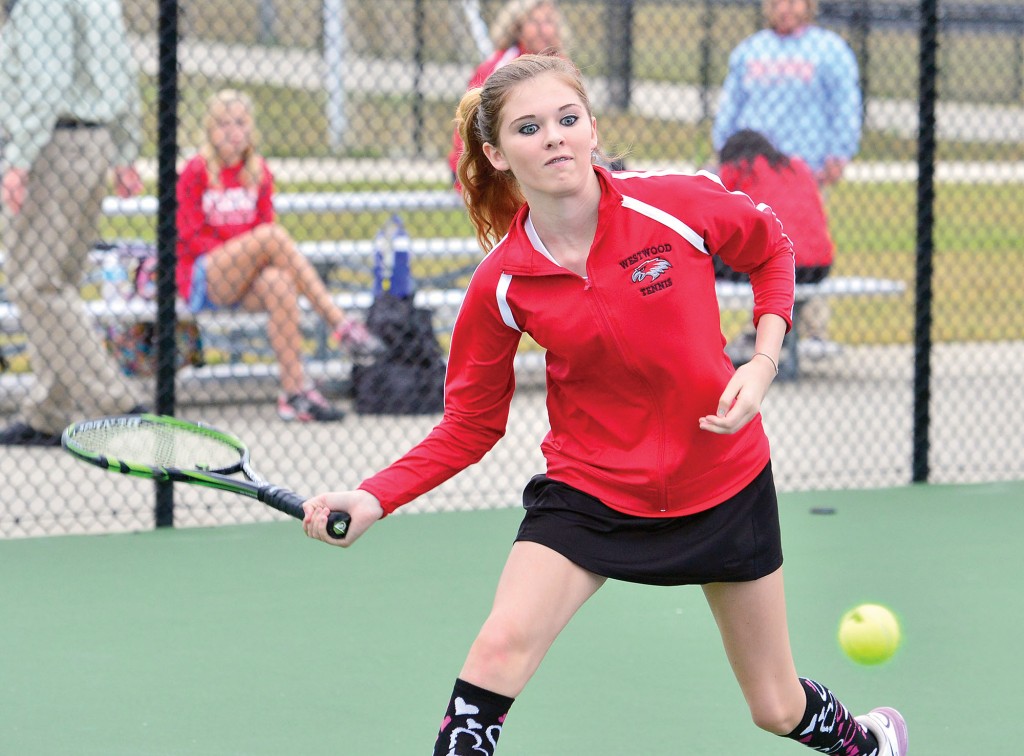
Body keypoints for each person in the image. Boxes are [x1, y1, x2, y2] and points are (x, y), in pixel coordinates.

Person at [302, 55, 908, 756]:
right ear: (497, 154)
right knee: (497, 650)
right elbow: (470, 424)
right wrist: (375, 496)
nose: (554, 137)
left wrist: (763, 360)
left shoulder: (671, 204)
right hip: (590, 491)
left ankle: (866, 743)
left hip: (723, 484)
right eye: (529, 128)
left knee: (774, 706)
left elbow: (771, 248)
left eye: (567, 119)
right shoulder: (502, 284)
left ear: (591, 128)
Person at [0, 0, 148, 446]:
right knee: (57, 281)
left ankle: (116, 403)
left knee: (35, 284)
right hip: (92, 142)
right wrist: (123, 149)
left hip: (52, 147)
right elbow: (124, 73)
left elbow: (45, 83)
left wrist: (19, 160)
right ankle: (50, 409)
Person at [176, 89, 374, 423]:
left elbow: (263, 240)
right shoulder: (195, 171)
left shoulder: (258, 171)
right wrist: (243, 252)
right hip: (206, 277)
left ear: (250, 128)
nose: (232, 130)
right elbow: (190, 237)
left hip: (247, 278)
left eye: (239, 122)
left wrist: (249, 255)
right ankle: (339, 323)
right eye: (223, 123)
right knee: (270, 237)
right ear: (210, 130)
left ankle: (294, 392)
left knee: (281, 282)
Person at [712, 0, 861, 359]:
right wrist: (722, 150)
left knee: (801, 240)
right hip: (751, 171)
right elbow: (731, 105)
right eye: (778, 2)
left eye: (794, 1)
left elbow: (846, 103)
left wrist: (839, 151)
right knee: (756, 245)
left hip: (803, 170)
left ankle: (812, 331)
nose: (786, 8)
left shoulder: (828, 49)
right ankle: (759, 327)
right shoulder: (751, 50)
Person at [714, 129, 835, 365]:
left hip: (779, 260)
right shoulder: (797, 166)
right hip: (818, 266)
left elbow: (719, 217)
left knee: (706, 254)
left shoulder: (739, 168)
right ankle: (763, 335)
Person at [446, 0, 568, 184]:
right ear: (517, 27)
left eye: (549, 22)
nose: (545, 30)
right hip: (492, 165)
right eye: (535, 23)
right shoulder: (502, 66)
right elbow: (473, 128)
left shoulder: (561, 66)